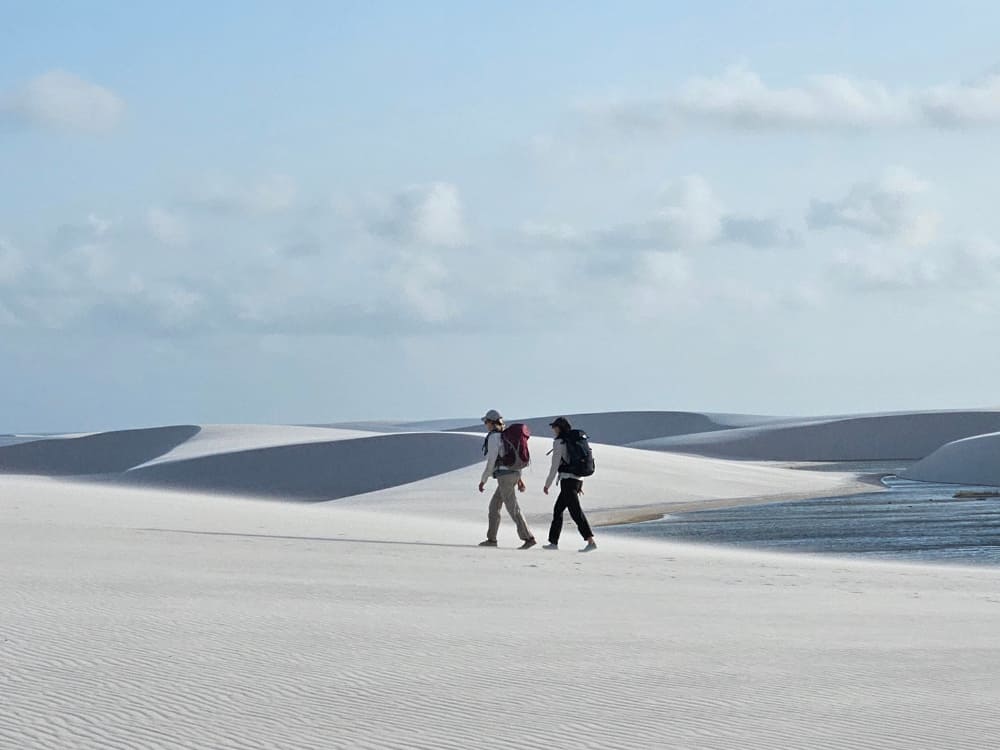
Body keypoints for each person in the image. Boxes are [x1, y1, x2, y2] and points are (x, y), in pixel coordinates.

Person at [478, 409, 536, 549]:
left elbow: (491, 460)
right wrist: (519, 479)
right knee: (494, 506)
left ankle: (528, 538)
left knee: (512, 507)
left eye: (486, 422)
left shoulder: (494, 437)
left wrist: (483, 480)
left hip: (505, 477)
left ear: (492, 422)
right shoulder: (505, 436)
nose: (485, 424)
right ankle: (491, 539)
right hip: (512, 475)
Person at [542, 416, 597, 552]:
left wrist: (547, 484)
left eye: (554, 427)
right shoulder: (573, 440)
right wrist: (579, 485)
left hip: (568, 481)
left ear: (560, 428)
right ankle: (553, 542)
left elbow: (554, 466)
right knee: (558, 510)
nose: (553, 429)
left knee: (575, 512)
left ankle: (590, 541)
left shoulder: (560, 442)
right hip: (577, 480)